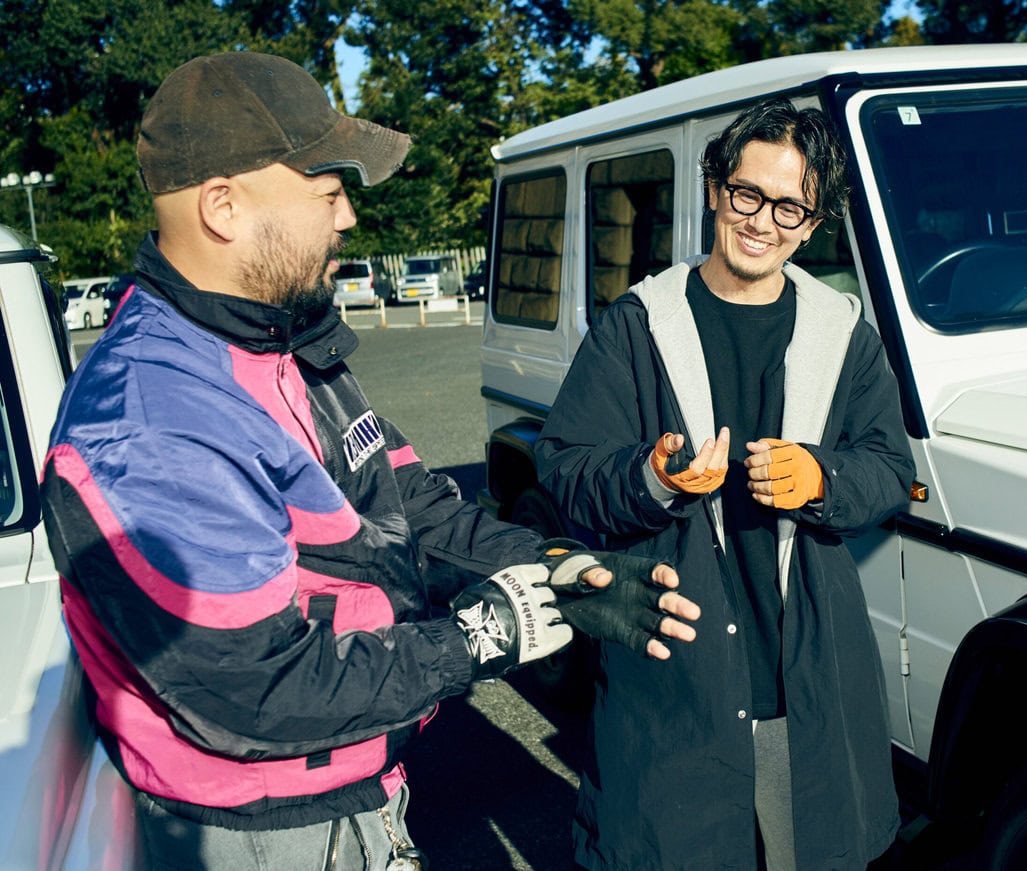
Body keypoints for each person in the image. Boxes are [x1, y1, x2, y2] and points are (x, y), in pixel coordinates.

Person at [39, 51, 700, 871]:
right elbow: (255, 691)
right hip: (262, 830)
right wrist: (478, 638)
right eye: (328, 190)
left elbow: (414, 508)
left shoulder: (286, 341)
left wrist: (558, 565)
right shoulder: (151, 422)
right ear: (222, 206)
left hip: (361, 785)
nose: (350, 215)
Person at [534, 97, 916, 870]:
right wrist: (652, 478)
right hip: (677, 675)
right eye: (747, 194)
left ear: (812, 225)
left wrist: (821, 475)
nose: (762, 221)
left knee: (808, 849)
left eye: (789, 206)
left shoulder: (845, 334)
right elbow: (566, 469)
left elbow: (889, 472)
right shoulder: (637, 325)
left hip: (804, 675)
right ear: (714, 188)